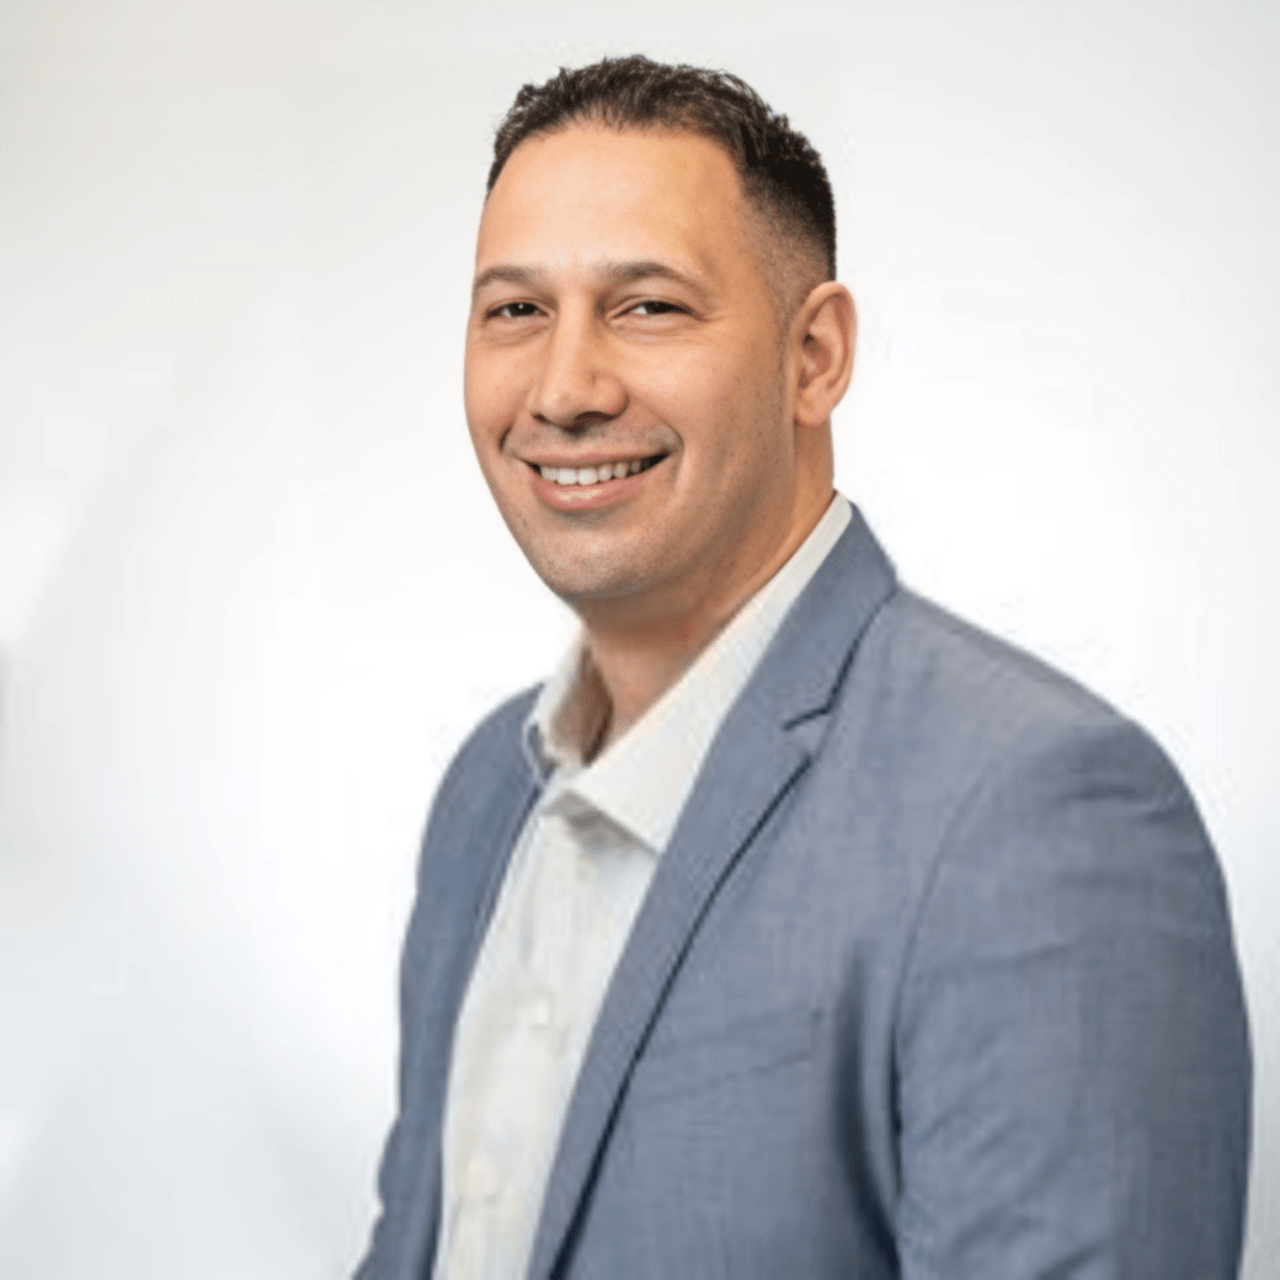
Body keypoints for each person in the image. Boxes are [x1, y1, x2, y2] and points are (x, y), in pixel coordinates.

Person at [355, 55, 1251, 1280]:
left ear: (814, 355)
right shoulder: (483, 795)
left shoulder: (1035, 812)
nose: (563, 389)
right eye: (515, 311)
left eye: (646, 306)